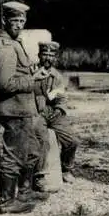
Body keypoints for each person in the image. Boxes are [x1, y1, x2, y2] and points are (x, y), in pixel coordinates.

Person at [0, 1, 51, 214]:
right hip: (13, 109)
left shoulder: (15, 42)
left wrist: (30, 73)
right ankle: (7, 202)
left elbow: (18, 72)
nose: (19, 25)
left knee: (32, 149)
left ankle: (24, 193)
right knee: (13, 155)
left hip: (24, 108)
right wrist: (33, 78)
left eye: (22, 20)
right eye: (14, 20)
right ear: (4, 21)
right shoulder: (5, 45)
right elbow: (6, 84)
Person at [32, 41, 79, 185]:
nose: (47, 58)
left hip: (52, 113)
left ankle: (66, 169)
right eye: (44, 54)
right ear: (39, 55)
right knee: (42, 139)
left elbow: (61, 97)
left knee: (72, 140)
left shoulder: (57, 76)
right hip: (35, 112)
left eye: (51, 55)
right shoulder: (31, 72)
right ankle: (39, 176)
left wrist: (59, 109)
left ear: (55, 58)